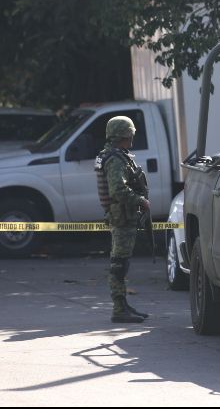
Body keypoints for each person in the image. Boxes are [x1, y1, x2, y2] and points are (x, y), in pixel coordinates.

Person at [94, 116, 151, 323]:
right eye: (130, 134)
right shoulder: (115, 159)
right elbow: (117, 188)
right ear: (123, 135)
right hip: (122, 216)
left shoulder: (109, 155)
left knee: (121, 262)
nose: (132, 138)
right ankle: (119, 309)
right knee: (119, 264)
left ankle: (123, 305)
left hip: (120, 216)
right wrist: (140, 200)